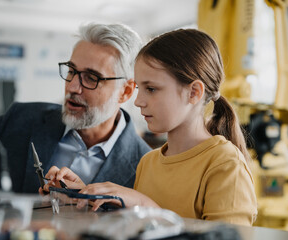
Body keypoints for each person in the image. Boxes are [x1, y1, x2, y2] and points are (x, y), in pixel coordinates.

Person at [43, 29, 258, 226]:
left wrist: (147, 207)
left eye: (151, 89)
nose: (138, 101)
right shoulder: (148, 162)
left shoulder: (226, 167)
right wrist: (87, 195)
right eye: (139, 88)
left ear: (194, 93)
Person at [0, 22, 151, 193]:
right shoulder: (20, 120)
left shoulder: (147, 166)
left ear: (126, 91)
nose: (73, 86)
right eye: (72, 71)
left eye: (91, 77)